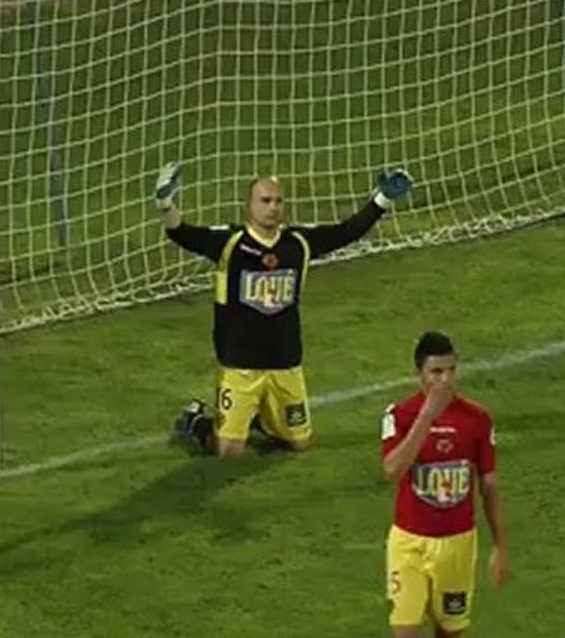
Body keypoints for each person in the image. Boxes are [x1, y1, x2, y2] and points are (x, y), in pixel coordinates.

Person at [155, 161, 413, 458]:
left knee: (300, 444)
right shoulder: (230, 243)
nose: (273, 207)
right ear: (249, 205)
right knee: (228, 451)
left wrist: (382, 200)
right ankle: (196, 421)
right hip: (240, 365)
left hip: (285, 362)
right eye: (265, 201)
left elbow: (347, 232)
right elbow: (181, 233)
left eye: (278, 201)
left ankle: (261, 418)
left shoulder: (298, 243)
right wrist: (165, 203)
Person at [380, 331, 510, 638]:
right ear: (420, 376)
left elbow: (489, 486)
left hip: (457, 545)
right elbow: (392, 470)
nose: (445, 380)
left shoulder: (477, 418)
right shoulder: (399, 415)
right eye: (436, 372)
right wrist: (427, 416)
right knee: (405, 632)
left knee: (450, 632)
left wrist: (500, 547)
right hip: (409, 542)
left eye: (451, 370)